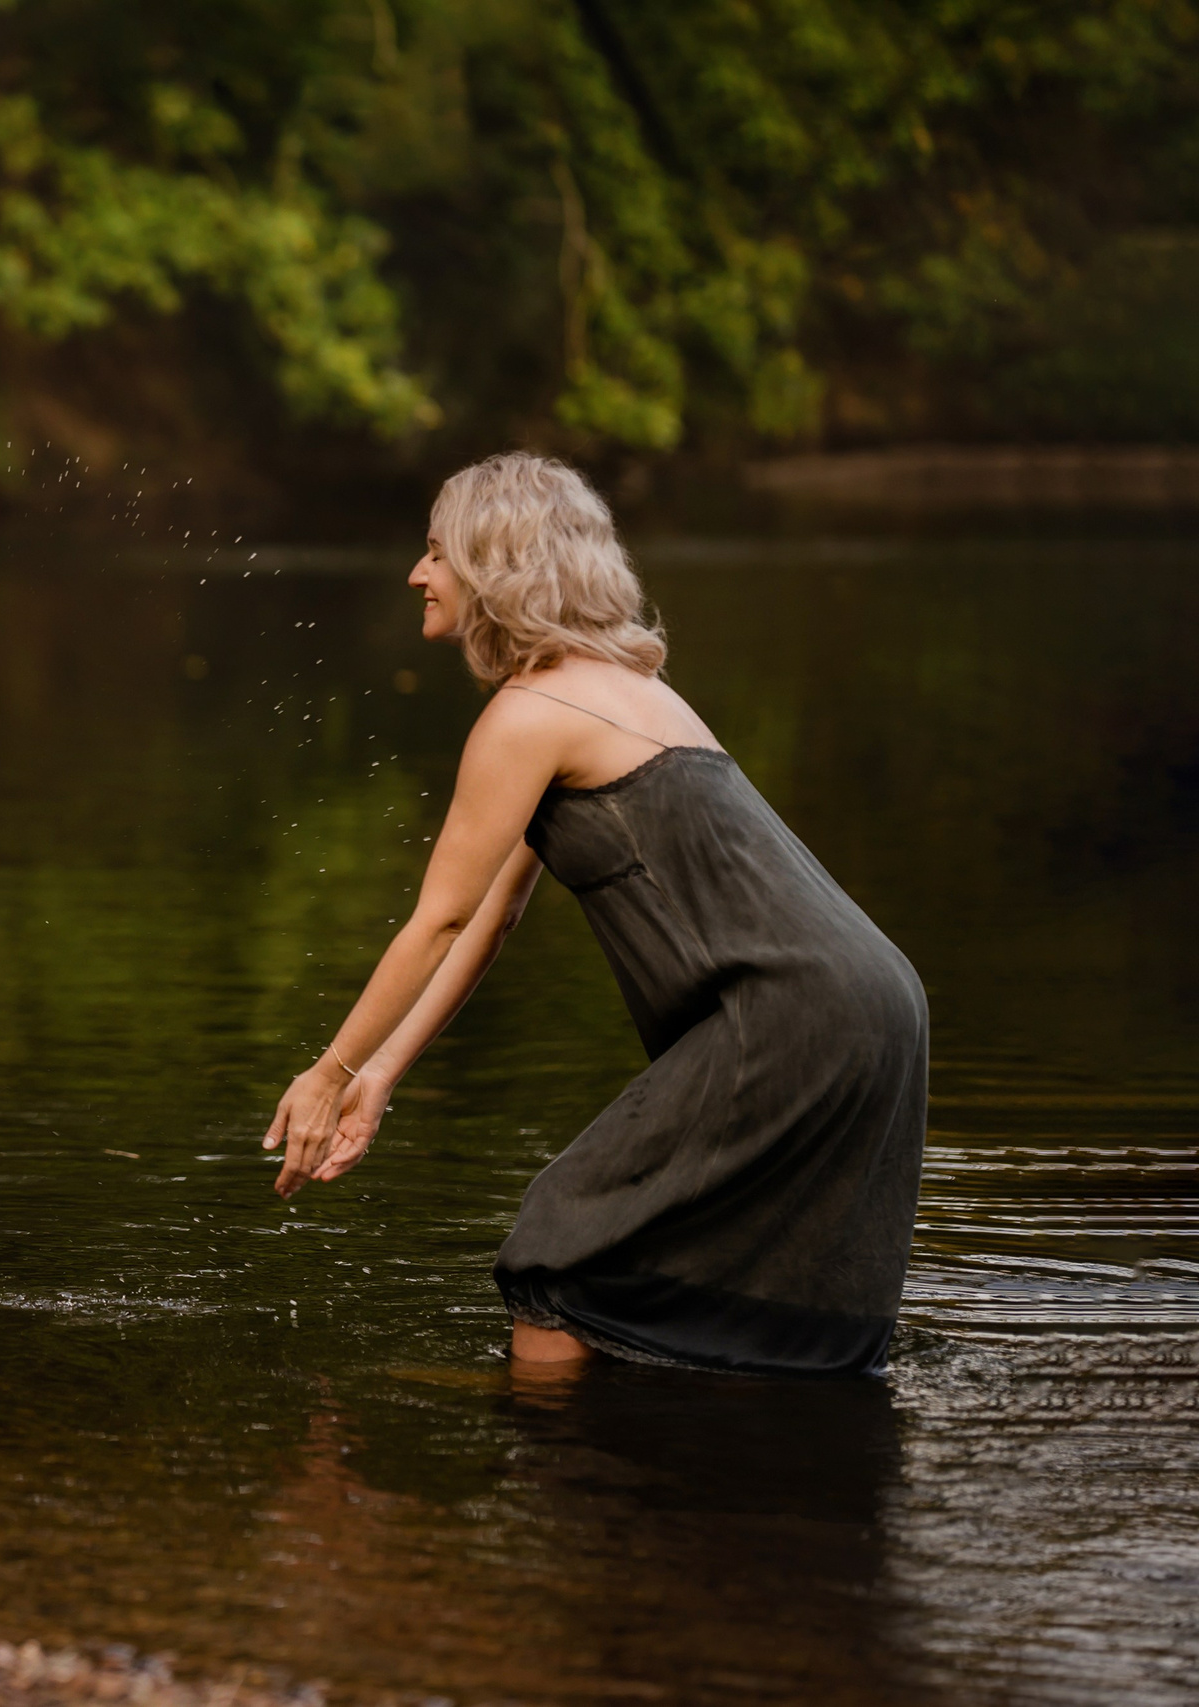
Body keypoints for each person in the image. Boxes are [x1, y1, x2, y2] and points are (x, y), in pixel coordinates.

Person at [262, 453, 926, 1376]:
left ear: (494, 566)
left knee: (556, 1256)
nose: (417, 574)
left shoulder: (529, 714)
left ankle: (561, 1494)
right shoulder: (629, 690)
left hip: (788, 1014)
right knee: (741, 1288)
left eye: (435, 553)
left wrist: (327, 1072)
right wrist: (380, 1075)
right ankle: (728, 1479)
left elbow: (440, 921)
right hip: (875, 1004)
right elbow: (492, 920)